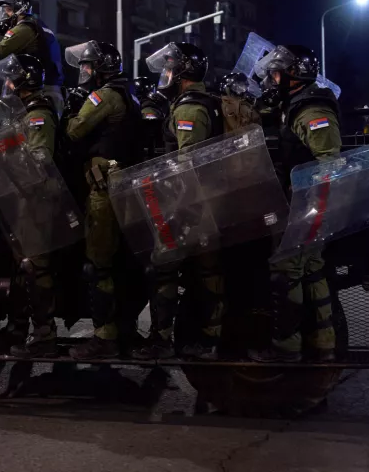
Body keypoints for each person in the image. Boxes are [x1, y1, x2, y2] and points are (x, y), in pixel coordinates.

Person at [133, 42, 226, 361]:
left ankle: (161, 339)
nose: (166, 74)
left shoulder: (189, 108)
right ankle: (211, 338)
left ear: (183, 72)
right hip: (207, 201)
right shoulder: (205, 100)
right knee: (207, 271)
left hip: (193, 203)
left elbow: (189, 163)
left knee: (165, 267)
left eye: (170, 68)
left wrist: (178, 210)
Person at [248, 45, 340, 363]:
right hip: (307, 203)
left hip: (308, 204)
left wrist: (309, 209)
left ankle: (286, 347)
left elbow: (328, 163)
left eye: (277, 73)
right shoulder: (295, 104)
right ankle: (323, 343)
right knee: (312, 271)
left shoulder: (312, 110)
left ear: (294, 75)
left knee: (285, 271)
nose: (272, 80)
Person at [63, 41, 139, 360]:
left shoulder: (105, 95)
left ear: (101, 69)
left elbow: (74, 131)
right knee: (118, 261)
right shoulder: (127, 93)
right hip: (122, 186)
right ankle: (124, 327)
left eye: (88, 66)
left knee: (99, 263)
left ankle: (104, 337)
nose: (84, 72)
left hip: (104, 190)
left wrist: (72, 108)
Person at [0, 54, 62, 358]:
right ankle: (17, 328)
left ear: (25, 81)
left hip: (36, 199)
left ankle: (45, 333)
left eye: (12, 78)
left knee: (36, 266)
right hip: (22, 197)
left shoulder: (37, 115)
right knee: (20, 267)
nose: (7, 83)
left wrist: (6, 158)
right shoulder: (21, 112)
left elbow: (39, 160)